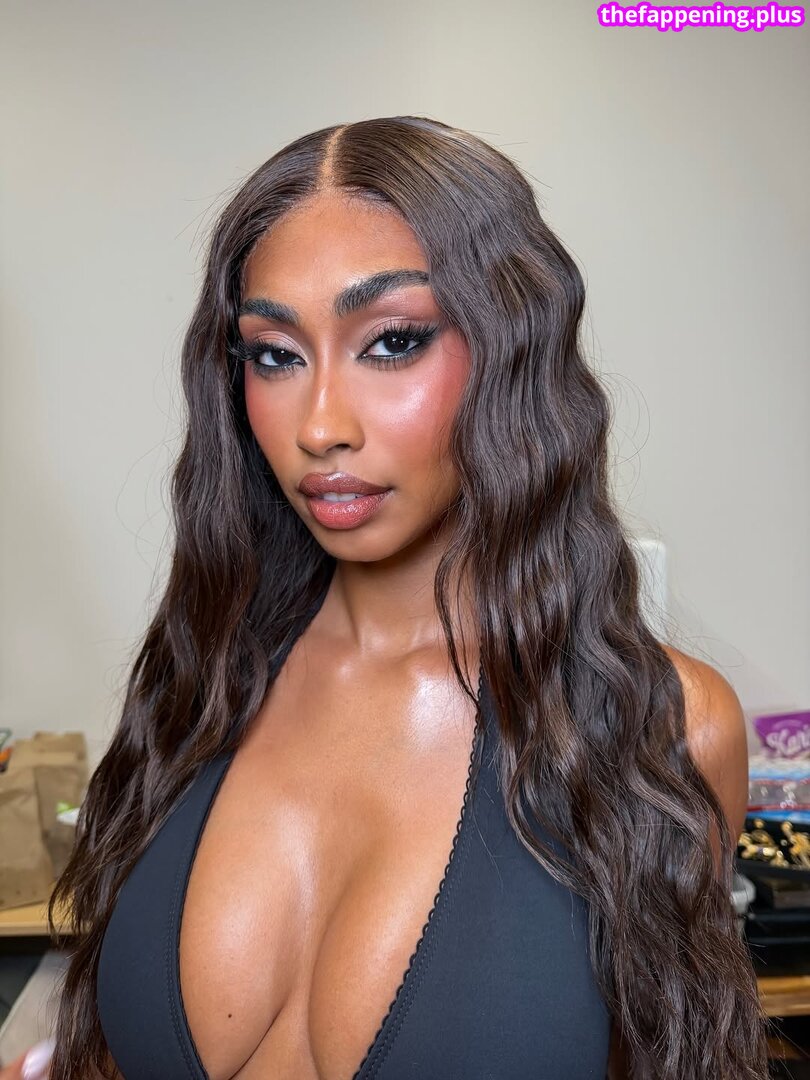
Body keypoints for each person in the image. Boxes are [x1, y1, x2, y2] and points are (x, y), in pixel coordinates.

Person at [18, 116, 767, 1079]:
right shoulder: (198, 687)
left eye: (392, 342)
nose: (321, 425)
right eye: (275, 355)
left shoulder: (659, 729)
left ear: (509, 347)